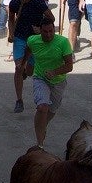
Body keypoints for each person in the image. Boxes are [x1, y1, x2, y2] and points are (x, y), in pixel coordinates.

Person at [28, 13, 74, 146]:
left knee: (51, 110)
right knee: (42, 107)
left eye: (51, 31)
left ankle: (42, 126)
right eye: (45, 32)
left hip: (58, 81)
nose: (48, 35)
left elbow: (69, 66)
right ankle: (40, 143)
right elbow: (29, 52)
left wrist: (55, 72)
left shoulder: (63, 42)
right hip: (40, 78)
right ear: (39, 31)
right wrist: (26, 66)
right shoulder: (33, 40)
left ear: (55, 30)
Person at [8, 0, 50, 114]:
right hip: (20, 38)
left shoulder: (38, 3)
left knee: (31, 71)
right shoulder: (14, 3)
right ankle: (19, 100)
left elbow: (51, 17)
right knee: (19, 67)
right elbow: (11, 19)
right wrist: (11, 33)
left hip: (35, 40)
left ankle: (26, 71)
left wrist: (41, 27)